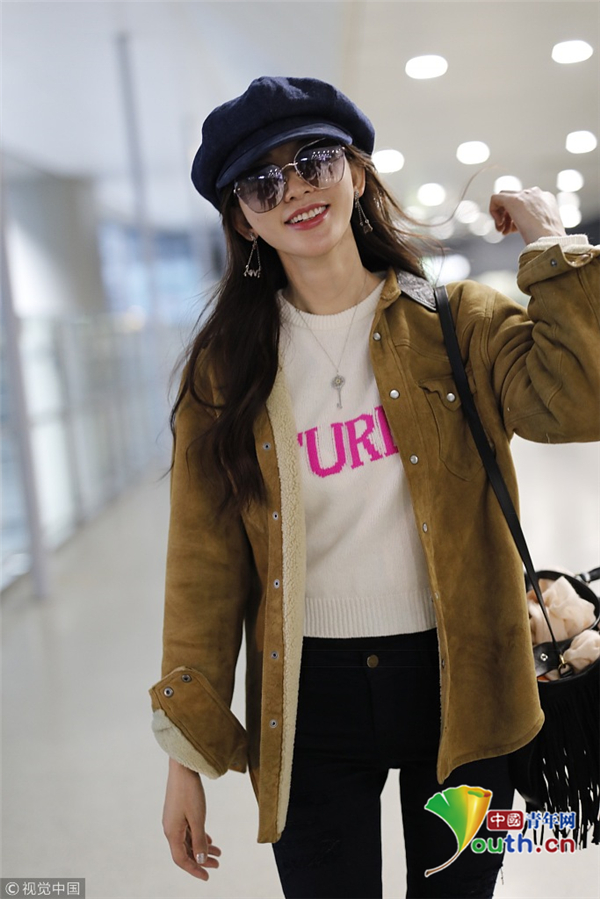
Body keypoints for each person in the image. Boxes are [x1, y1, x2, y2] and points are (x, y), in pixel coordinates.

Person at [148, 76, 600, 899]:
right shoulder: (226, 371)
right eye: (262, 182)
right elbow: (202, 570)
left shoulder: (459, 321)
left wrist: (553, 246)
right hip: (308, 701)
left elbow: (580, 402)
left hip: (466, 680)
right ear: (242, 219)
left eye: (315, 160)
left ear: (357, 172)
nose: (295, 189)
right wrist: (186, 758)